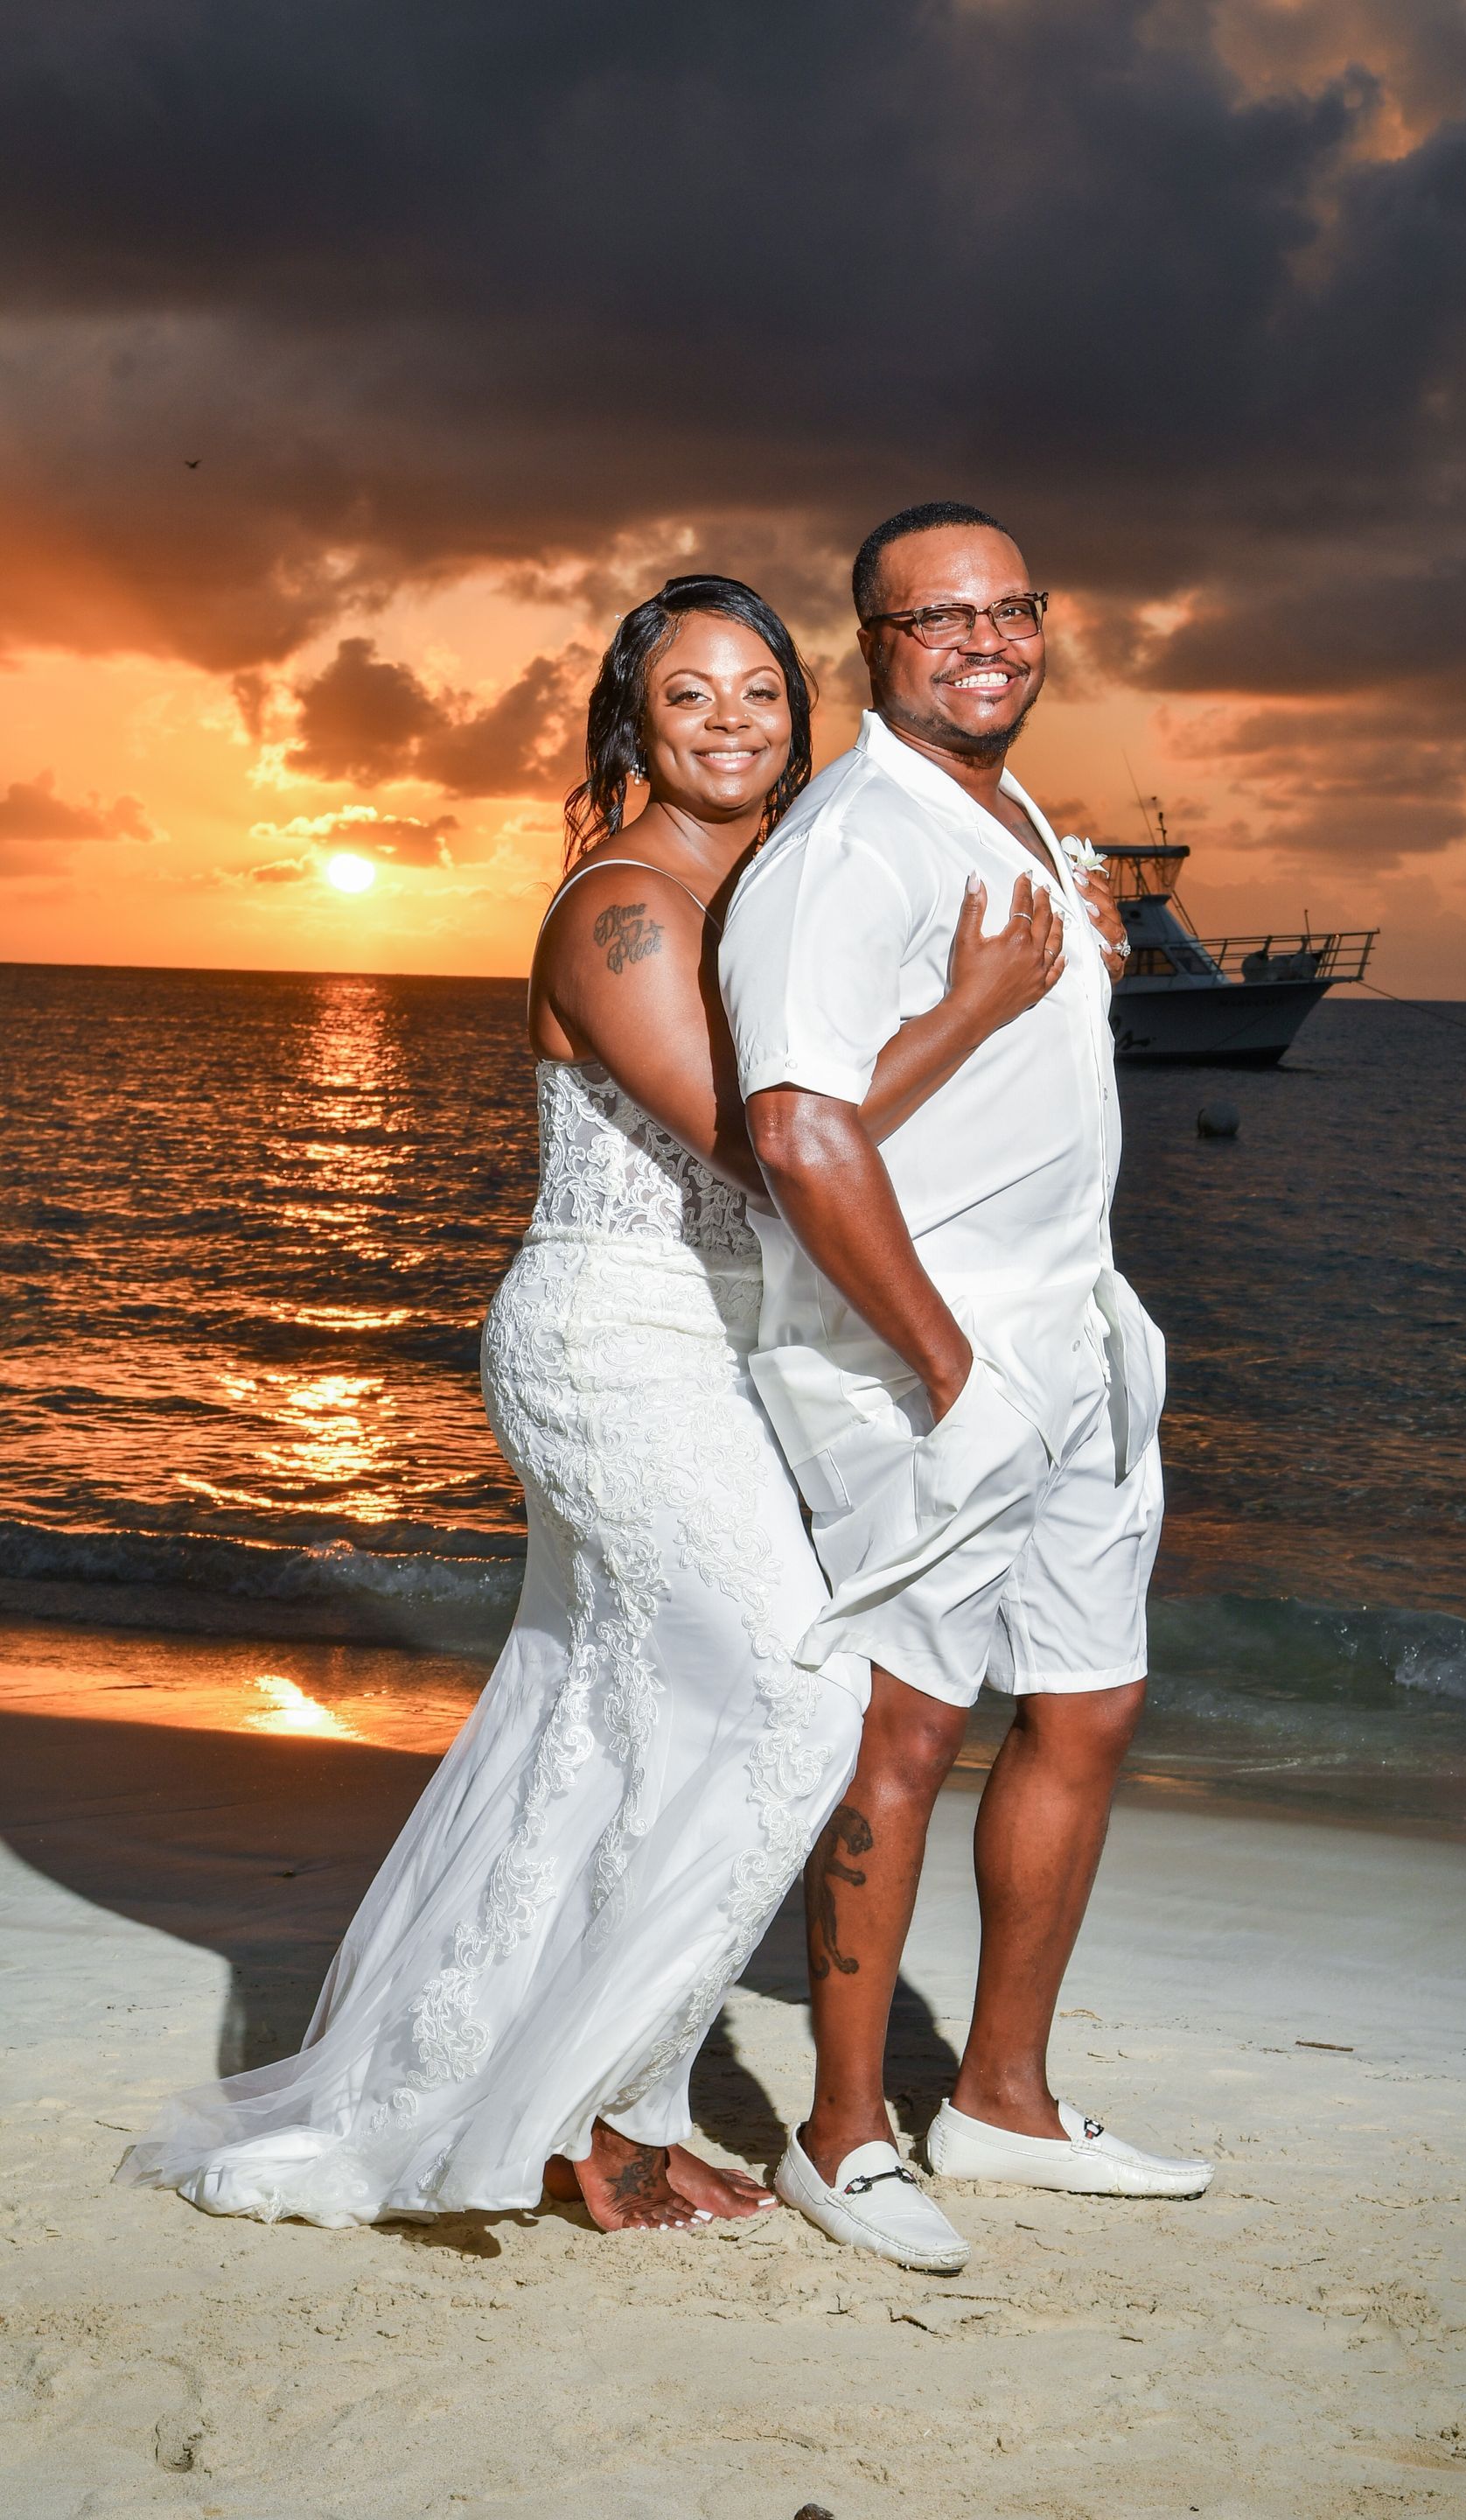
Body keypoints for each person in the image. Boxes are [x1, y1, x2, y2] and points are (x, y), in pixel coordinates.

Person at [118, 573, 1066, 2236]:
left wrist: (1061, 957)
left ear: (800, 712)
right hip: (611, 1341)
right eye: (688, 696)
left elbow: (855, 1086)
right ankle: (579, 2108)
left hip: (725, 1341)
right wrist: (971, 1008)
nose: (730, 725)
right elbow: (767, 1151)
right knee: (791, 1695)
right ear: (631, 719)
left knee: (619, 1723)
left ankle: (617, 2103)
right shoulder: (618, 907)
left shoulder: (767, 879)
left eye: (761, 694)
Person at [720, 504, 1210, 2275]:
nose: (988, 639)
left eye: (1014, 606)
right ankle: (841, 2137)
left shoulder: (1011, 820)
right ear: (875, 641)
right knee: (905, 1732)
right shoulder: (844, 848)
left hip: (1081, 1331)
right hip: (922, 1355)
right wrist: (946, 1369)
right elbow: (794, 1126)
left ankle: (1000, 2100)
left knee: (1084, 1706)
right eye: (945, 617)